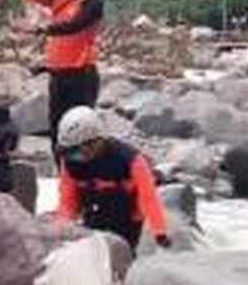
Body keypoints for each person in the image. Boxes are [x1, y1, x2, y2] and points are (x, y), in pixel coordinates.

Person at [12, 0, 104, 156]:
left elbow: (76, 25)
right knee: (57, 132)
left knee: (80, 133)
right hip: (58, 75)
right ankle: (64, 177)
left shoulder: (92, 3)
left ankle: (82, 177)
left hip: (82, 76)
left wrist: (43, 29)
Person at [54, 106, 170, 251]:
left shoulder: (131, 161)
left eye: (76, 152)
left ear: (92, 143)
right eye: (69, 152)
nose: (74, 158)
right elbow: (68, 200)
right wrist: (61, 227)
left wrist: (159, 232)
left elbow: (149, 199)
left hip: (128, 222)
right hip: (94, 216)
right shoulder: (71, 164)